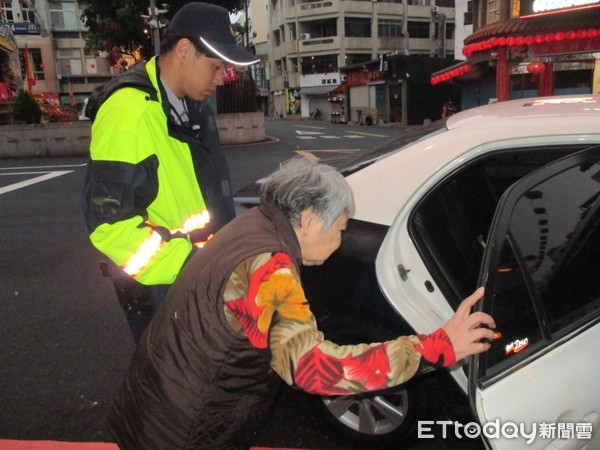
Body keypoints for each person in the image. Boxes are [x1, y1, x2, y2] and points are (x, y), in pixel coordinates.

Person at [108, 157, 496, 449]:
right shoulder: (268, 268)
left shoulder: (253, 224)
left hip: (159, 405)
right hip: (182, 432)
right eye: (340, 229)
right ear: (309, 218)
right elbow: (314, 369)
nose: (340, 242)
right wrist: (437, 347)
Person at [81, 2, 259, 342]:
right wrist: (193, 265)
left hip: (198, 280)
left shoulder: (191, 104)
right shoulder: (128, 114)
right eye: (216, 67)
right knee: (172, 388)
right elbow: (111, 227)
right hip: (158, 288)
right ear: (183, 50)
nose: (222, 79)